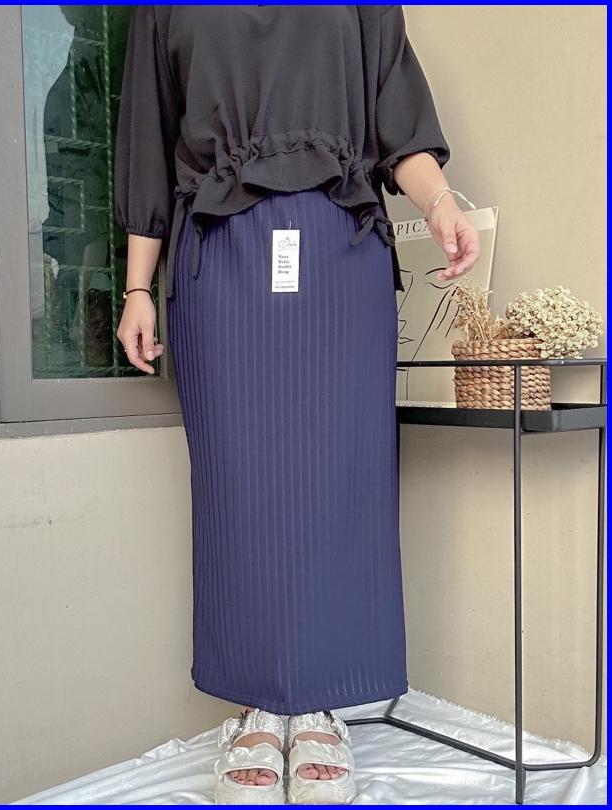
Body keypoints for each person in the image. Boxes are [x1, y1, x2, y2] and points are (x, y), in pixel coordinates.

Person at [114, 6, 479, 805]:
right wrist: (138, 287)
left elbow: (399, 123)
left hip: (341, 244)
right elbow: (147, 139)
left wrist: (440, 204)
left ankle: (319, 704)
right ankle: (257, 706)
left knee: (339, 476)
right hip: (219, 247)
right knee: (239, 483)